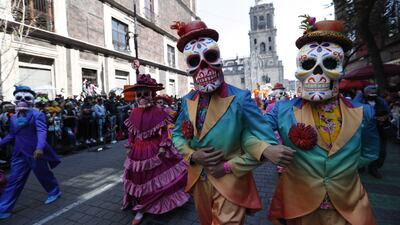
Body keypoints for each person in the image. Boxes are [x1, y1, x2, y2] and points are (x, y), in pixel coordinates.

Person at [171, 20, 294, 225]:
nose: (204, 67)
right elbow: (176, 135)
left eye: (210, 57)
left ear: (218, 60)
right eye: (194, 61)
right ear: (189, 69)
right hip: (199, 181)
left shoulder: (241, 98)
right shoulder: (187, 100)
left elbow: (262, 141)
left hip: (230, 183)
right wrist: (193, 155)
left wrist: (228, 166)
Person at [261, 17, 379, 225]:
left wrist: (344, 170)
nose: (317, 73)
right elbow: (253, 130)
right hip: (300, 207)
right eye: (308, 65)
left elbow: (370, 152)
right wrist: (264, 149)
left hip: (348, 207)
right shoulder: (282, 110)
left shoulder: (364, 112)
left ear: (340, 69)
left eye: (329, 64)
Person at [123, 74, 190, 225]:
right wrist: (129, 145)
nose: (141, 97)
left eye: (145, 94)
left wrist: (163, 145)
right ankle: (140, 205)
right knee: (139, 178)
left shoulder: (159, 112)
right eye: (138, 94)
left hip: (154, 149)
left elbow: (166, 132)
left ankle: (146, 206)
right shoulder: (133, 112)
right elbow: (132, 132)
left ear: (152, 95)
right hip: (137, 151)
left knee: (154, 178)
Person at [0, 86, 61, 219]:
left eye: (27, 98)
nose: (23, 101)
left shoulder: (37, 114)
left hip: (35, 152)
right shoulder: (13, 118)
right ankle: (3, 208)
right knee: (14, 180)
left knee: (43, 174)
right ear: (15, 100)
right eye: (19, 98)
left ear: (32, 100)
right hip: (19, 153)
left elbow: (41, 131)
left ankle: (54, 191)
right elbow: (11, 135)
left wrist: (39, 148)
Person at [354, 85, 392, 178]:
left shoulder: (381, 101)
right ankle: (360, 166)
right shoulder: (359, 101)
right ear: (365, 93)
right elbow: (353, 112)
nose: (372, 93)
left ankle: (374, 168)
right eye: (370, 92)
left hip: (380, 130)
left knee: (381, 150)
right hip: (364, 130)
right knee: (361, 148)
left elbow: (388, 113)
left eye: (374, 92)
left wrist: (384, 118)